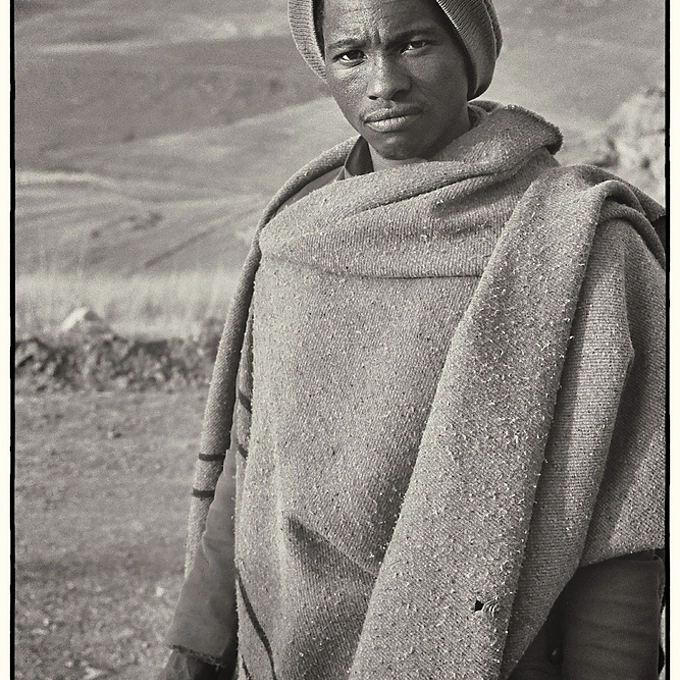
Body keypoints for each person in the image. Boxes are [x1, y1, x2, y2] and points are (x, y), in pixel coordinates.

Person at [158, 0, 666, 678]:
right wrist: (196, 646)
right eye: (350, 54)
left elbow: (623, 521)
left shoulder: (582, 245)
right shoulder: (299, 239)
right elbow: (254, 463)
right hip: (290, 650)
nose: (383, 82)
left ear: (469, 53)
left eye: (414, 44)